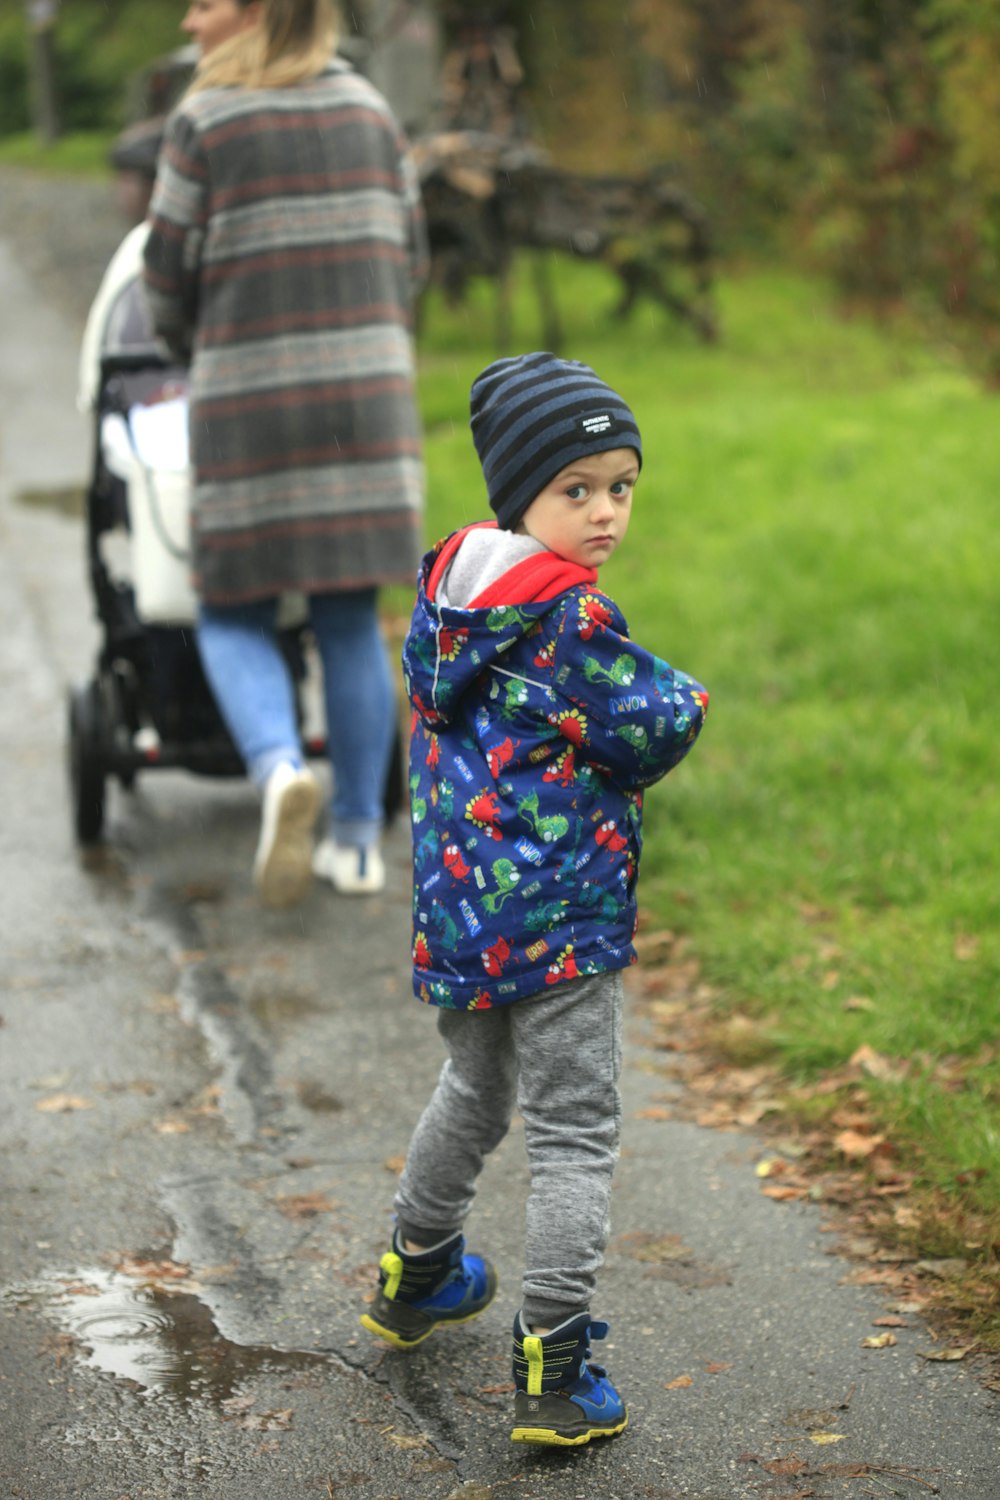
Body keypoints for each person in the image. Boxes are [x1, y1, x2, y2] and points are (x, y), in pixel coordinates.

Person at [360, 351, 709, 1445]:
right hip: (558, 923)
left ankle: (416, 1276)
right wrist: (686, 694)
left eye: (621, 486)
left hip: (461, 911)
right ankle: (553, 1372)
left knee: (471, 1085)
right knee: (573, 1131)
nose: (605, 512)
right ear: (521, 494)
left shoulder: (449, 594)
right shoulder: (565, 622)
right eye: (578, 489)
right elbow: (657, 724)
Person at [142, 0, 427, 907]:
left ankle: (276, 773)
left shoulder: (206, 121)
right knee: (349, 619)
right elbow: (411, 259)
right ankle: (355, 842)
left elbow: (165, 277)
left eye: (205, 4)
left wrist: (198, 346)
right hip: (366, 404)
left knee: (229, 611)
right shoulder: (373, 111)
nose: (190, 24)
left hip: (249, 400)